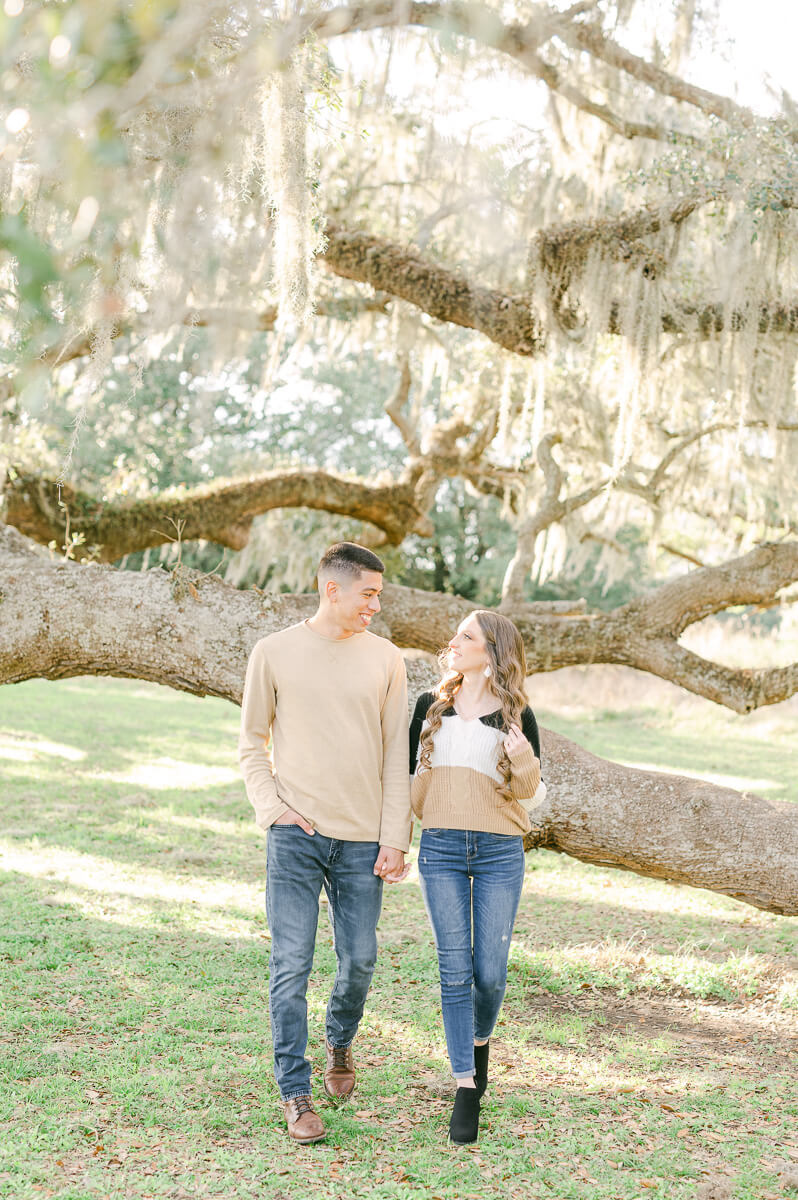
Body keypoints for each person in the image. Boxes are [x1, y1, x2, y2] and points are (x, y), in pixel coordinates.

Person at [239, 542, 411, 1145]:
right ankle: (296, 1091)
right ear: (331, 589)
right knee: (291, 966)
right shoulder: (274, 652)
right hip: (296, 838)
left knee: (358, 960)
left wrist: (394, 837)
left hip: (364, 840)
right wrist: (274, 810)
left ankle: (339, 1041)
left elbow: (397, 757)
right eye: (368, 593)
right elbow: (251, 743)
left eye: (379, 596)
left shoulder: (387, 659)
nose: (375, 605)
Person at [409, 609, 542, 1145]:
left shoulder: (516, 716)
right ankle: (465, 1084)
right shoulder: (429, 708)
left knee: (489, 973)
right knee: (453, 968)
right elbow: (406, 782)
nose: (454, 642)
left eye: (467, 636)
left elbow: (528, 791)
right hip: (440, 846)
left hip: (498, 850)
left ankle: (479, 1040)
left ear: (491, 652)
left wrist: (523, 757)